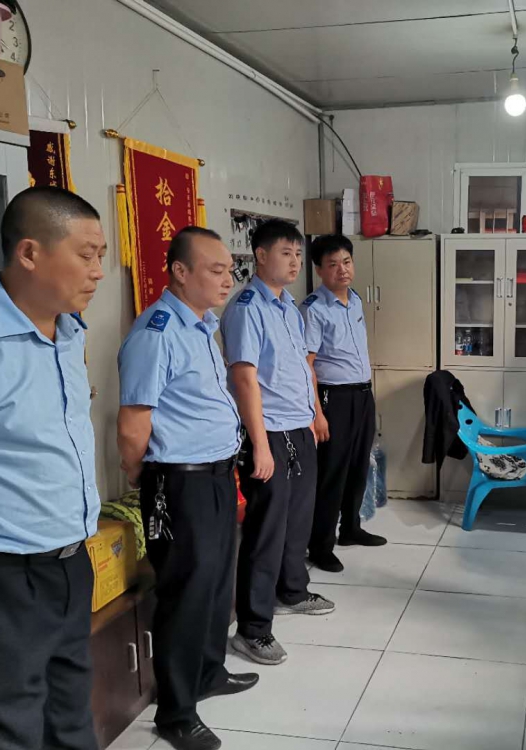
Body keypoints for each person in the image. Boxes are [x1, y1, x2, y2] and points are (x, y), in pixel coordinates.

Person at [0, 187, 105, 750]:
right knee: (5, 730)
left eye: (101, 255)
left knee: (70, 718)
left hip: (68, 562)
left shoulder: (67, 331)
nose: (98, 270)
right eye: (86, 255)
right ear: (30, 254)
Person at [117, 227, 257, 750]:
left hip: (216, 475)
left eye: (229, 270)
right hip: (179, 482)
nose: (227, 280)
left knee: (217, 582)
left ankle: (208, 672)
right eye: (216, 270)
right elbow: (133, 423)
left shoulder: (201, 326)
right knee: (186, 592)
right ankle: (176, 712)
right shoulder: (156, 332)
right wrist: (144, 474)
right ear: (179, 272)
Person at [220, 220, 335, 667]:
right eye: (286, 253)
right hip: (268, 432)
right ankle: (252, 629)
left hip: (298, 427)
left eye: (298, 254)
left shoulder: (288, 306)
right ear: (261, 256)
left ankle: (292, 591)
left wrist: (314, 414)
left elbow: (302, 367)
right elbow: (244, 379)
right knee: (266, 531)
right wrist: (260, 444)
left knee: (297, 521)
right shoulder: (247, 308)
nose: (294, 262)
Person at [300, 234, 386, 573]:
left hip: (362, 395)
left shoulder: (356, 300)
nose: (342, 270)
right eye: (333, 264)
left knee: (359, 466)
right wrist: (317, 413)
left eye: (347, 262)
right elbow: (307, 364)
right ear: (319, 269)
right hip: (333, 398)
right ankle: (320, 546)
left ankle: (350, 528)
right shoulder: (313, 309)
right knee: (332, 474)